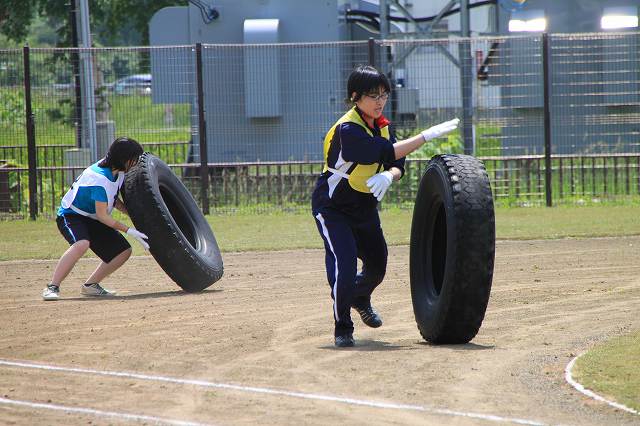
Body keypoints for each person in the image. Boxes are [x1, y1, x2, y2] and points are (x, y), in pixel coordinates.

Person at [311, 65, 459, 347]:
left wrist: (390, 175)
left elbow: (396, 162)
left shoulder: (382, 125)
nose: (379, 101)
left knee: (378, 265)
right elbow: (380, 152)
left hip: (364, 207)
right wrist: (424, 137)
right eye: (372, 95)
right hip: (333, 208)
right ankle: (343, 325)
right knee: (344, 263)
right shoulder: (348, 129)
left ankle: (358, 296)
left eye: (383, 95)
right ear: (355, 96)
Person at [41, 137, 150, 301]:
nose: (135, 163)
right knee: (81, 244)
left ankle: (91, 286)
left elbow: (113, 200)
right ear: (123, 159)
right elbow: (103, 216)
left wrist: (136, 216)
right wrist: (129, 230)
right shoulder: (99, 179)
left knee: (123, 251)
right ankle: (52, 286)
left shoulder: (117, 171)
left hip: (92, 216)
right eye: (133, 159)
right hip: (71, 215)